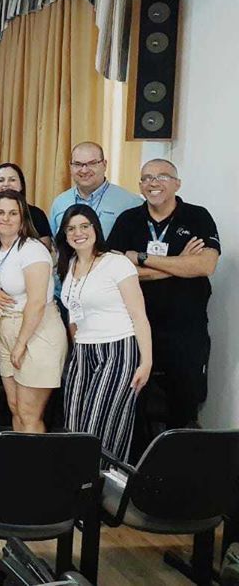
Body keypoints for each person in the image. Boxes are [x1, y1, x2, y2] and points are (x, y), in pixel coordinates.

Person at [107, 159, 220, 448]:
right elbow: (114, 271)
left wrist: (142, 258)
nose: (153, 183)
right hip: (136, 328)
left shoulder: (197, 217)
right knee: (133, 402)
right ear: (140, 185)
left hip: (186, 331)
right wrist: (179, 263)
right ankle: (134, 465)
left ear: (177, 184)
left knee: (184, 403)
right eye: (146, 178)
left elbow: (205, 265)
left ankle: (178, 466)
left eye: (162, 176)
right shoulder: (128, 220)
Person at [58, 205, 152, 461]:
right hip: (82, 351)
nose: (78, 233)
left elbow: (139, 315)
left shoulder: (116, 263)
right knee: (73, 425)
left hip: (118, 349)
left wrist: (146, 362)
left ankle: (104, 480)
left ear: (95, 229)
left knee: (100, 427)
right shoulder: (70, 264)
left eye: (84, 226)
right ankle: (77, 480)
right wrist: (77, 346)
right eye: (71, 229)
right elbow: (73, 314)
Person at [0, 192, 67, 433]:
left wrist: (21, 343)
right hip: (6, 329)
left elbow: (37, 301)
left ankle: (36, 459)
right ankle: (20, 457)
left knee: (30, 413)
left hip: (36, 332)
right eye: (1, 212)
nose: (6, 218)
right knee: (16, 408)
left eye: (13, 213)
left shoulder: (33, 249)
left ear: (23, 219)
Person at [50, 141, 141, 237]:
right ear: (70, 166)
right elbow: (53, 243)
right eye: (78, 164)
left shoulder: (131, 203)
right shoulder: (60, 202)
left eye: (92, 163)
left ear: (104, 165)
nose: (84, 170)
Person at [0, 162, 53, 248]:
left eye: (12, 180)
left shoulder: (36, 214)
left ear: (21, 185)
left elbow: (45, 247)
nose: (6, 184)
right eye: (0, 180)